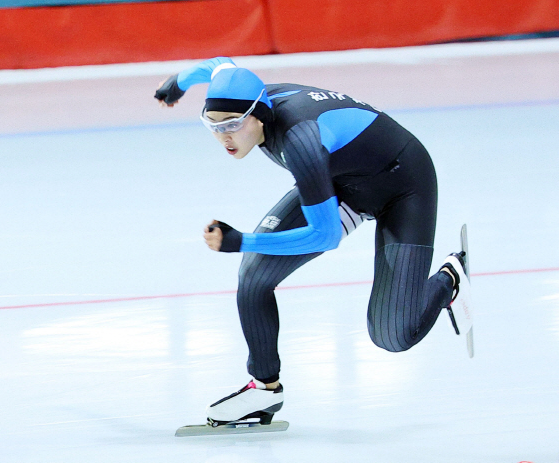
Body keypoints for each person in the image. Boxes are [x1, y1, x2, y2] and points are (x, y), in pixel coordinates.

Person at [154, 57, 469, 426]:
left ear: (260, 116)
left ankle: (451, 277)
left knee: (393, 335)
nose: (224, 136)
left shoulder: (300, 141)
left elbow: (325, 235)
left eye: (234, 125)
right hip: (340, 180)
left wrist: (242, 241)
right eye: (213, 125)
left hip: (403, 186)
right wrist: (178, 82)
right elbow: (218, 66)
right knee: (254, 278)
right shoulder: (240, 90)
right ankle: (264, 390)